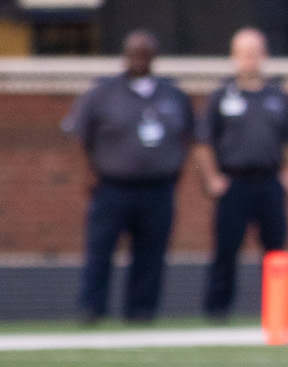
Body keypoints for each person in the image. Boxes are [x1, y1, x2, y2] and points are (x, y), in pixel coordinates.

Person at [62, 30, 195, 324]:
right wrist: (87, 174)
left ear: (154, 57)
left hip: (158, 187)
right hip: (112, 186)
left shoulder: (173, 94)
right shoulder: (101, 93)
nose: (139, 59)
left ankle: (142, 310)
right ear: (125, 55)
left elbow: (188, 137)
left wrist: (175, 169)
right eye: (134, 53)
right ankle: (92, 308)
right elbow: (79, 136)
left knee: (151, 252)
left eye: (145, 54)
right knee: (100, 248)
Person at [193, 28, 288, 321]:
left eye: (254, 53)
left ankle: (280, 310)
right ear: (234, 57)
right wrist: (212, 178)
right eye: (244, 54)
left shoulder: (278, 96)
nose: (249, 59)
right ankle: (217, 310)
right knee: (226, 248)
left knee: (276, 249)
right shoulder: (220, 95)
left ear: (264, 55)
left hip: (269, 181)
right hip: (234, 181)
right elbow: (203, 142)